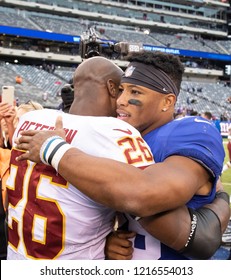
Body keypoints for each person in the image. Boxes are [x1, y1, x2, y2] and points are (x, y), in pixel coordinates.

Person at [15, 53, 230, 260]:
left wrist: (54, 149)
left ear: (167, 102)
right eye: (121, 91)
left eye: (135, 92)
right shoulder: (117, 135)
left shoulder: (190, 130)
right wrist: (107, 241)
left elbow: (145, 196)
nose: (121, 101)